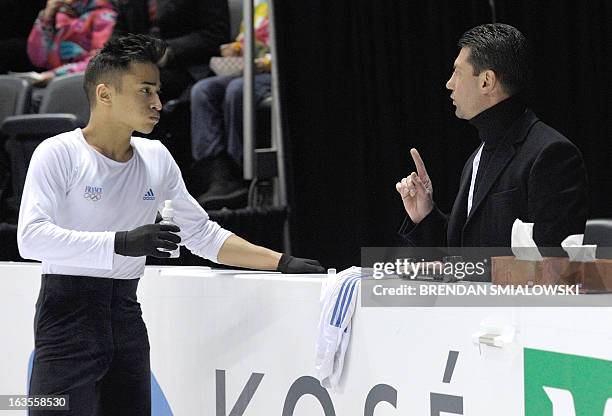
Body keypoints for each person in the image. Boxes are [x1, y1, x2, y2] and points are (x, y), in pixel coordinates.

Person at [18, 34, 323, 416]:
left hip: (126, 317)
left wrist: (281, 261)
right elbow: (30, 239)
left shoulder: (156, 156)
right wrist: (122, 242)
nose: (158, 103)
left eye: (158, 91)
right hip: (67, 315)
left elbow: (202, 234)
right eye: (145, 91)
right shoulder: (58, 153)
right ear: (105, 94)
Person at [395, 23, 588, 250]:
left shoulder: (552, 154)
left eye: (457, 72)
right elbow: (461, 250)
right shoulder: (476, 157)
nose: (449, 83)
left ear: (486, 81)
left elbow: (553, 263)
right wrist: (425, 214)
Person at [190, 0, 272, 209]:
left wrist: (261, 60)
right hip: (250, 70)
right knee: (203, 91)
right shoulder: (257, 4)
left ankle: (241, 168)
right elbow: (247, 42)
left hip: (273, 72)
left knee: (237, 91)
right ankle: (218, 175)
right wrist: (237, 49)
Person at [112, 0, 230, 101]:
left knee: (130, 87)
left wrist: (168, 50)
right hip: (139, 63)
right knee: (100, 80)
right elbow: (119, 31)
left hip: (186, 66)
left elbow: (216, 34)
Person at [26, 0, 117, 85]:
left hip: (86, 84)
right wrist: (46, 18)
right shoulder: (61, 14)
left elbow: (100, 62)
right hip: (54, 83)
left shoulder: (104, 15)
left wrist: (56, 74)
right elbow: (38, 60)